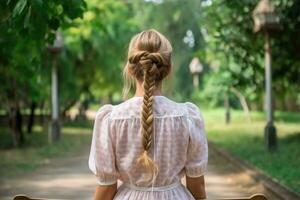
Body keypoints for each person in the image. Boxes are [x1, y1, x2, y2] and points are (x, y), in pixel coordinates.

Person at [88, 29, 208, 200]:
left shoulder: (111, 120)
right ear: (169, 69)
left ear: (130, 69)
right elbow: (197, 187)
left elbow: (106, 189)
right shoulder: (188, 117)